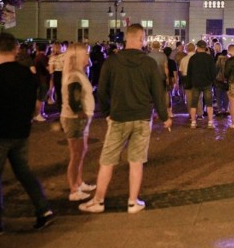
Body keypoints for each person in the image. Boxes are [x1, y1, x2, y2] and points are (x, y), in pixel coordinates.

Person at [0, 33, 54, 238]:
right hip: (19, 132)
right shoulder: (26, 76)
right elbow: (30, 105)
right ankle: (43, 209)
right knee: (24, 172)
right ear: (16, 50)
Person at [79, 24, 171, 214]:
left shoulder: (112, 61)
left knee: (108, 160)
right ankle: (132, 202)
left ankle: (99, 200)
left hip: (118, 116)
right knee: (136, 162)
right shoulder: (148, 63)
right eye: (143, 38)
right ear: (140, 38)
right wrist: (164, 116)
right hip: (142, 117)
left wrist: (106, 113)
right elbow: (158, 93)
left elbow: (102, 90)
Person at [59, 43, 96, 201]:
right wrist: (80, 112)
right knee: (76, 154)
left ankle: (79, 182)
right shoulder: (74, 75)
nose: (88, 56)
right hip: (75, 120)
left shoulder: (77, 73)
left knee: (81, 152)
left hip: (79, 119)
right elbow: (74, 97)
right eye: (86, 54)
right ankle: (74, 189)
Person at [187, 40, 217, 129]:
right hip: (207, 83)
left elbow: (189, 72)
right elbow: (213, 72)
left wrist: (190, 82)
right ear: (205, 48)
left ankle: (193, 122)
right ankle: (210, 122)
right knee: (209, 103)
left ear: (198, 47)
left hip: (196, 83)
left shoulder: (193, 58)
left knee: (194, 103)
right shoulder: (209, 58)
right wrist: (212, 81)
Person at [33, 43, 51, 122]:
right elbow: (48, 68)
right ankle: (37, 114)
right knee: (40, 98)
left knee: (41, 98)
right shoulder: (42, 57)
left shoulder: (37, 57)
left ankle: (41, 112)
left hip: (39, 79)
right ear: (46, 49)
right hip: (42, 79)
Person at [48, 42, 66, 113]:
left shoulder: (52, 58)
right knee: (65, 93)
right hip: (65, 74)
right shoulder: (65, 55)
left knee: (59, 94)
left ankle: (61, 111)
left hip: (57, 75)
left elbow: (51, 70)